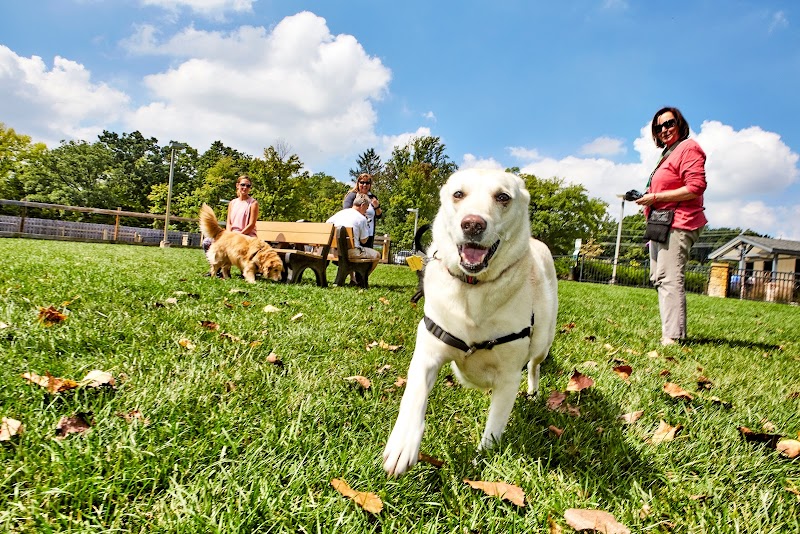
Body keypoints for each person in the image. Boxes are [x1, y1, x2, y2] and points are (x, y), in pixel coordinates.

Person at [635, 107, 707, 346]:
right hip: (661, 223)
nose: (664, 129)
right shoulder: (668, 153)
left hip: (679, 221)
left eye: (669, 124)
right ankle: (670, 331)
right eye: (659, 127)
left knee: (669, 276)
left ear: (680, 124)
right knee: (659, 276)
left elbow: (696, 187)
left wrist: (655, 198)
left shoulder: (688, 148)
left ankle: (673, 336)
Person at [202, 175, 259, 269]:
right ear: (237, 185)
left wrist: (237, 237)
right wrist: (228, 236)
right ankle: (217, 268)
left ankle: (244, 270)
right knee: (207, 242)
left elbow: (251, 224)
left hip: (246, 236)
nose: (245, 188)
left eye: (248, 186)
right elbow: (229, 222)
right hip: (231, 235)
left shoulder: (253, 203)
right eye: (243, 185)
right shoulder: (232, 203)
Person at [327, 193, 381, 283]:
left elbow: (327, 225)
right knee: (377, 255)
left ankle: (352, 278)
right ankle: (362, 278)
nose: (366, 211)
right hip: (350, 252)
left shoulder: (339, 213)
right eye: (366, 208)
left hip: (334, 251)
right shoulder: (361, 218)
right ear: (363, 205)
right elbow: (364, 241)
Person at [343, 173, 382, 249]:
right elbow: (346, 212)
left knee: (367, 256)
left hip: (369, 233)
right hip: (355, 232)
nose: (365, 185)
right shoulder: (352, 195)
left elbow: (379, 216)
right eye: (362, 182)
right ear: (358, 183)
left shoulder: (373, 197)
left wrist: (377, 206)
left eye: (367, 183)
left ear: (370, 185)